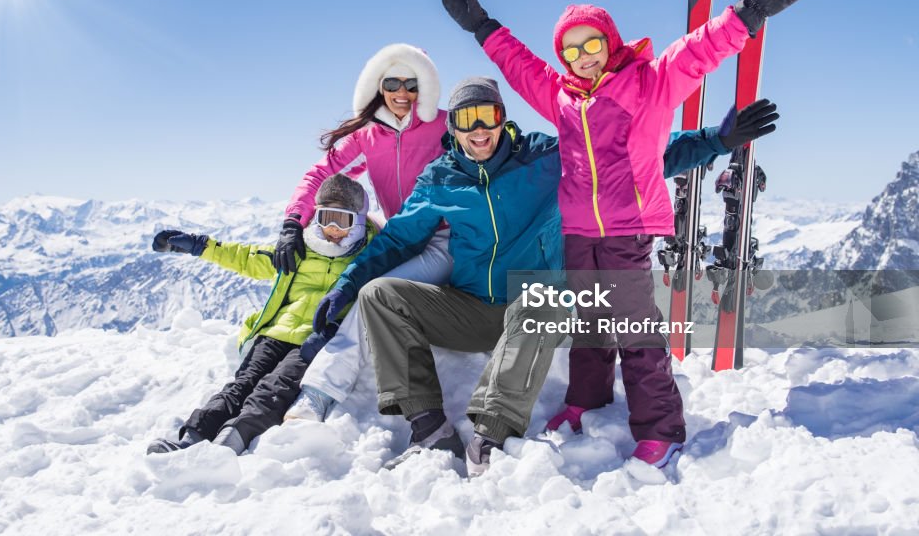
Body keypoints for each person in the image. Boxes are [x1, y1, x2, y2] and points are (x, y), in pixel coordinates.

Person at [441, 0, 810, 467]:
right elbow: (519, 66)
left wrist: (750, 13)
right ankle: (587, 399)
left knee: (636, 331)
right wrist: (484, 27)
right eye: (570, 49)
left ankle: (661, 425)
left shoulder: (649, 82)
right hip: (578, 229)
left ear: (609, 41)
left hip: (628, 228)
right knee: (590, 322)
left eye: (590, 44)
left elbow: (699, 50)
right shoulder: (562, 97)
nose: (582, 57)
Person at [310, 77, 767, 477]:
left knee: (541, 298)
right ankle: (429, 427)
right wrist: (347, 284)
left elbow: (629, 162)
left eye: (486, 115)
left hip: (532, 307)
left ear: (501, 117)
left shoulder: (544, 157)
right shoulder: (440, 180)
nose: (478, 130)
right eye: (466, 120)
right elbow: (394, 242)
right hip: (471, 307)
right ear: (453, 128)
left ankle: (490, 434)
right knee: (379, 295)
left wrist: (716, 140)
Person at [277, 44, 455, 423]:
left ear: (426, 86)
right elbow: (321, 174)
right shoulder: (368, 136)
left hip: (443, 239)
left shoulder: (445, 127)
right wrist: (294, 220)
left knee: (373, 295)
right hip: (399, 237)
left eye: (412, 83)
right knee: (349, 265)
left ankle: (319, 392)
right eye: (393, 82)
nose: (402, 93)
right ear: (379, 85)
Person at [145, 174, 374, 456]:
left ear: (359, 221)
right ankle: (192, 438)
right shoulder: (300, 248)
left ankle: (230, 443)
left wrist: (335, 327)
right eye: (326, 217)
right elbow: (247, 258)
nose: (332, 229)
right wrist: (199, 245)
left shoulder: (368, 257)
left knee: (273, 389)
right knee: (241, 385)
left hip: (313, 340)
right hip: (275, 333)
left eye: (342, 220)